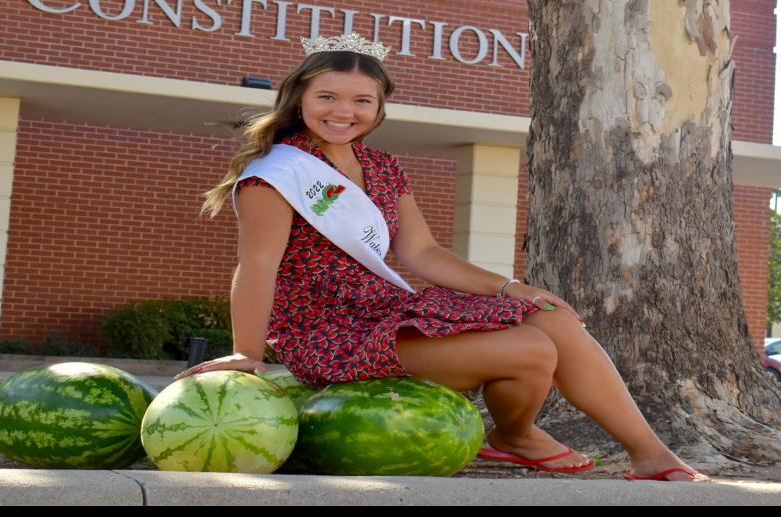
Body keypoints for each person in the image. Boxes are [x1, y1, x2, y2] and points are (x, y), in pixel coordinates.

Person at [185, 34, 712, 482]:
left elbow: (422, 252)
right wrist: (245, 352)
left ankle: (650, 454)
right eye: (327, 96)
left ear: (379, 107)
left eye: (361, 101)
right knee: (530, 350)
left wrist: (513, 287)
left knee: (549, 317)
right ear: (298, 98)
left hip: (385, 310)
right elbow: (257, 266)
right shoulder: (276, 175)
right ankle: (517, 434)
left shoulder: (382, 166)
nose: (343, 112)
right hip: (328, 332)